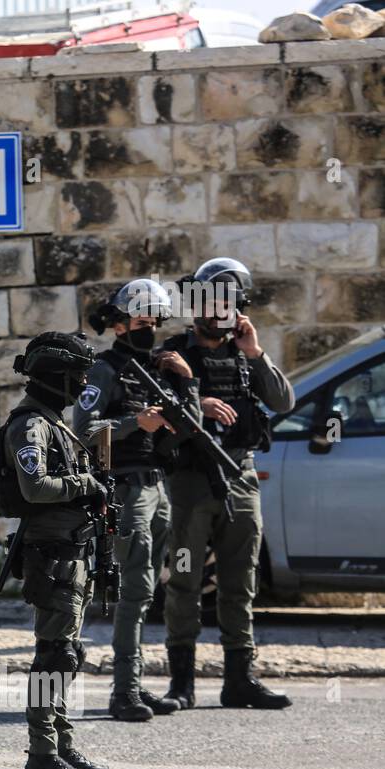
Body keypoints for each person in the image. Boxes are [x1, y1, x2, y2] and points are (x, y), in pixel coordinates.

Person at [161, 258, 295, 709]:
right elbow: (153, 414)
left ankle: (240, 678)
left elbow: (284, 400)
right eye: (210, 301)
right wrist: (198, 401)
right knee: (183, 578)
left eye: (227, 302)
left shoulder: (246, 354)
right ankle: (182, 682)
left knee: (241, 579)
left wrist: (256, 353)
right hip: (189, 484)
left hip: (240, 477)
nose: (218, 310)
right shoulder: (173, 355)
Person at [74, 279, 195, 721]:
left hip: (157, 485)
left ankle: (137, 686)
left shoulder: (158, 368)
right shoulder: (104, 370)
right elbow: (82, 430)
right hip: (126, 489)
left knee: (148, 593)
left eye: (155, 322)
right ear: (120, 325)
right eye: (143, 322)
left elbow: (191, 428)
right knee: (134, 589)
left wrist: (187, 380)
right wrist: (132, 424)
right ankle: (124, 692)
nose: (151, 330)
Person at [0, 332, 111, 769]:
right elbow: (34, 487)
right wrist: (86, 485)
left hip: (70, 551)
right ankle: (41, 756)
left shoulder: (54, 422)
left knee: (67, 653)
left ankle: (60, 743)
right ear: (55, 377)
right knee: (52, 655)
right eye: (78, 375)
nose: (83, 383)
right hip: (51, 557)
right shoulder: (30, 425)